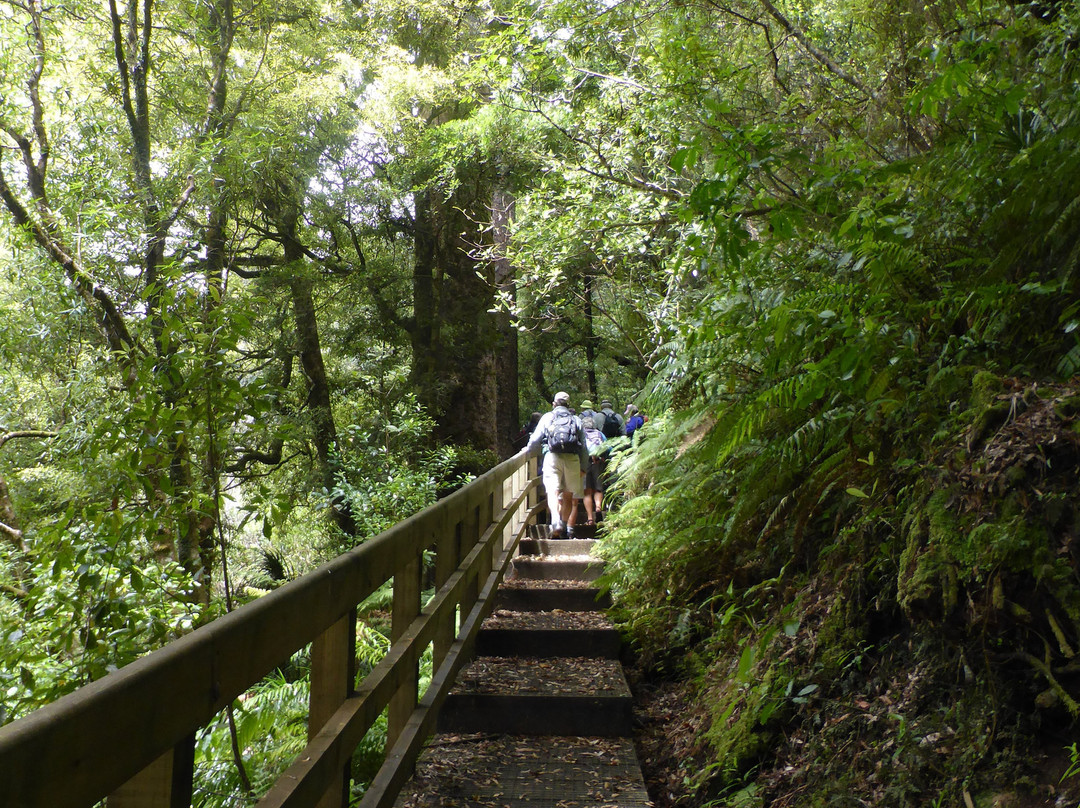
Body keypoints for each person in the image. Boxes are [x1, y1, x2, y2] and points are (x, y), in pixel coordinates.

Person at [525, 392, 588, 539]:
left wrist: (529, 452)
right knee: (568, 494)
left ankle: (555, 522)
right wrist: (584, 467)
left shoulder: (548, 417)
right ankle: (564, 525)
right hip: (572, 459)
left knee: (553, 491)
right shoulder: (576, 419)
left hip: (552, 457)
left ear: (554, 404)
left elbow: (535, 440)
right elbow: (584, 446)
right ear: (568, 404)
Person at [580, 415, 607, 526]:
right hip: (598, 462)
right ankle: (598, 507)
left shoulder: (581, 434)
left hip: (585, 462)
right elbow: (607, 447)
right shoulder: (599, 434)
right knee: (598, 489)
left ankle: (590, 519)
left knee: (587, 491)